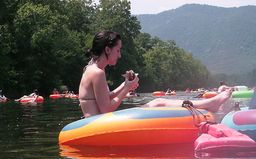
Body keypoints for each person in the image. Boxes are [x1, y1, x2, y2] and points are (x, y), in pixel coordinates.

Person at [79, 30, 233, 118]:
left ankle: (209, 104)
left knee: (158, 102)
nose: (119, 55)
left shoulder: (92, 68)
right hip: (96, 125)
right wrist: (127, 89)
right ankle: (210, 104)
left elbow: (106, 98)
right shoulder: (97, 73)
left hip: (96, 121)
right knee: (158, 103)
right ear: (107, 49)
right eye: (117, 50)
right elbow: (106, 109)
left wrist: (125, 85)